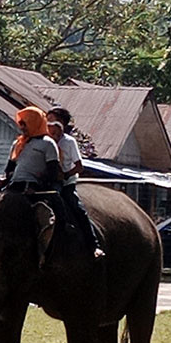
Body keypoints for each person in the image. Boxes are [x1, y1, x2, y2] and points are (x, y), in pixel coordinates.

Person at [48, 107, 105, 258]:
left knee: (76, 208)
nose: (49, 123)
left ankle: (93, 244)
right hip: (48, 181)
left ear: (61, 123)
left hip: (66, 182)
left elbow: (79, 166)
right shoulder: (44, 140)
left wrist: (65, 175)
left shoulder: (69, 142)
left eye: (53, 119)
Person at [0, 106, 60, 193]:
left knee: (59, 205)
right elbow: (10, 168)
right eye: (21, 124)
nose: (22, 127)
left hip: (34, 186)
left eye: (25, 124)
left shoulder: (48, 143)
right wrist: (4, 179)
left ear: (35, 123)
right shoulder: (18, 143)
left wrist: (40, 187)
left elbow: (52, 171)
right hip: (14, 185)